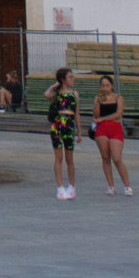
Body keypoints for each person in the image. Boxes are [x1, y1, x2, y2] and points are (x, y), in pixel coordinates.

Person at [91, 74, 131, 195]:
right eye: (103, 85)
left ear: (111, 85)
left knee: (117, 158)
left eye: (107, 85)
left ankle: (127, 185)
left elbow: (118, 114)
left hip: (114, 127)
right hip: (102, 129)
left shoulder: (118, 98)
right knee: (105, 156)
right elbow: (96, 114)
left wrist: (103, 119)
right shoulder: (98, 98)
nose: (105, 87)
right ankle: (110, 185)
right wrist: (98, 102)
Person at [44, 68, 79, 201]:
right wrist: (54, 85)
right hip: (57, 125)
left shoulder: (74, 94)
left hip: (69, 126)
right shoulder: (56, 94)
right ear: (63, 80)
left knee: (69, 158)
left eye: (72, 77)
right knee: (58, 157)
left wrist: (80, 131)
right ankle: (60, 187)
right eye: (69, 77)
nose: (72, 79)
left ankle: (72, 185)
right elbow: (46, 94)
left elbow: (77, 113)